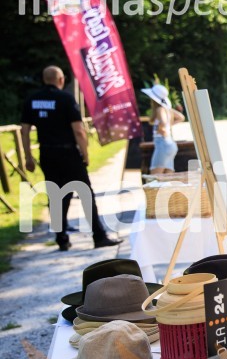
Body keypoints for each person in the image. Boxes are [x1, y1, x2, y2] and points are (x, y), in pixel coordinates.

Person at [21, 66, 121, 251]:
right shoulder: (65, 99)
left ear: (44, 79)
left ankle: (62, 239)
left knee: (56, 195)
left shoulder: (32, 99)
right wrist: (85, 153)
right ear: (60, 80)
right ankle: (98, 236)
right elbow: (78, 130)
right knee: (85, 193)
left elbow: (24, 130)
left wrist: (28, 157)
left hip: (47, 154)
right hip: (68, 153)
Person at [142, 83, 185, 175]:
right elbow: (181, 117)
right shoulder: (166, 109)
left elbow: (163, 122)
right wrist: (167, 126)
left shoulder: (160, 109)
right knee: (167, 179)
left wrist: (162, 128)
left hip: (163, 144)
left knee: (154, 177)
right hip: (170, 144)